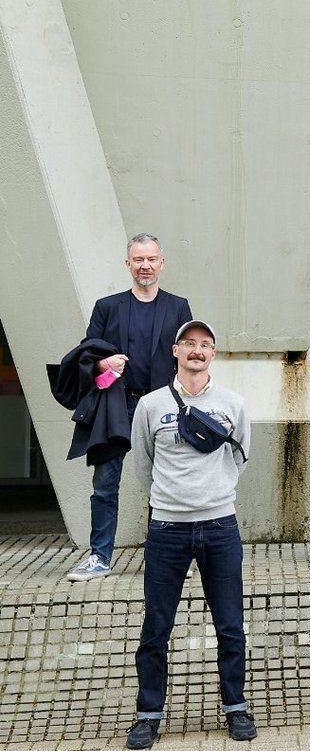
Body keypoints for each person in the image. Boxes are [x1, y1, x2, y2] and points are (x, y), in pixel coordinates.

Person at [122, 320, 253, 749]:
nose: (197, 351)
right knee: (156, 626)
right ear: (176, 351)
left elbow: (240, 458)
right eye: (189, 344)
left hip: (220, 527)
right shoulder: (150, 405)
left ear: (214, 353)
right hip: (166, 529)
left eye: (205, 345)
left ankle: (236, 707)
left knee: (230, 625)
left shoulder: (233, 404)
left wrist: (212, 494)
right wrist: (172, 499)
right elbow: (143, 464)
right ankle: (148, 715)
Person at [68, 234, 193, 582]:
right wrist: (103, 363)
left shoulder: (178, 306)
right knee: (106, 482)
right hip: (116, 404)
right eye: (138, 260)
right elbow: (85, 354)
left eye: (151, 259)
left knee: (164, 483)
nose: (145, 266)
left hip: (160, 404)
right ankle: (99, 557)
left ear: (162, 263)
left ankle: (163, 557)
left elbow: (189, 353)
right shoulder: (107, 306)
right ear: (128, 265)